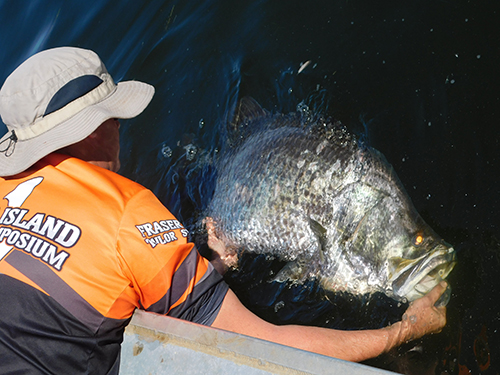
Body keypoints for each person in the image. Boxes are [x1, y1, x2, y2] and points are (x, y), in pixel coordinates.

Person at [0, 47, 447, 374]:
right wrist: (402, 332)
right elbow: (263, 344)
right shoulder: (129, 215)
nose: (121, 127)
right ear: (95, 128)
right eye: (115, 116)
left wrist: (208, 268)